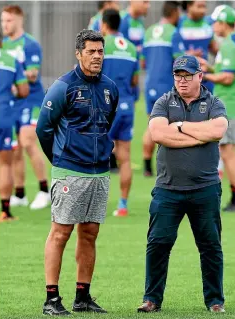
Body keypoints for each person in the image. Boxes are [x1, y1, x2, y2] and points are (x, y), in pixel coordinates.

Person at [36, 29, 119, 315]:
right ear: (78, 53)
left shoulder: (110, 87)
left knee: (90, 232)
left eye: (100, 51)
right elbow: (43, 129)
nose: (97, 56)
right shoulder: (62, 87)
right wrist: (59, 159)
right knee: (60, 232)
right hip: (69, 170)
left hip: (99, 173)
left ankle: (82, 298)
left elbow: (107, 123)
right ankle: (51, 300)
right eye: (91, 51)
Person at [137, 55, 228, 313]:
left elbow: (217, 131)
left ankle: (215, 301)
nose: (182, 81)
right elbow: (157, 134)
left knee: (210, 246)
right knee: (158, 244)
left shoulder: (214, 103)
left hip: (205, 188)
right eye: (178, 76)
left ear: (200, 76)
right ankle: (151, 299)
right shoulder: (163, 102)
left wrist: (178, 127)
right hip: (168, 189)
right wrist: (198, 136)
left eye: (188, 75)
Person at [202, 5, 235, 214]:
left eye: (215, 22)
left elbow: (228, 77)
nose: (213, 25)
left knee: (228, 152)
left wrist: (204, 76)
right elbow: (228, 71)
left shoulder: (228, 45)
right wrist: (211, 68)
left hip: (230, 104)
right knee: (228, 151)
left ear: (223, 23)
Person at [1, 5, 50, 210]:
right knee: (16, 148)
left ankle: (44, 190)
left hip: (31, 99)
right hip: (13, 101)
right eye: (3, 21)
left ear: (20, 20)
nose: (5, 25)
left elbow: (32, 75)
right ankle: (19, 193)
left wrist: (14, 78)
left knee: (28, 140)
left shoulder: (29, 44)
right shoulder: (3, 44)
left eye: (9, 20)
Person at [101, 9, 139, 217]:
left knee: (95, 155)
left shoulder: (101, 46)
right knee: (125, 157)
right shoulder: (132, 48)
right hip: (127, 106)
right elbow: (135, 80)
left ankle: (94, 204)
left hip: (107, 107)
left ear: (105, 25)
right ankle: (123, 205)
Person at [141, 1, 184, 176]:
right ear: (174, 13)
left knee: (151, 125)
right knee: (172, 127)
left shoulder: (149, 31)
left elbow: (143, 61)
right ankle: (171, 166)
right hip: (166, 86)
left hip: (150, 84)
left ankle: (146, 166)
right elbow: (179, 63)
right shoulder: (174, 33)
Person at [0, 29, 29, 222]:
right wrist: (13, 93)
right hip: (1, 115)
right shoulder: (10, 59)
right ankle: (5, 212)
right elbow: (24, 90)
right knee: (5, 164)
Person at [178, 1, 219, 92]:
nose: (203, 10)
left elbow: (213, 47)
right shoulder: (179, 23)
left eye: (204, 6)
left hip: (204, 77)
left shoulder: (207, 24)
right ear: (189, 6)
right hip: (184, 78)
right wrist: (188, 55)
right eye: (199, 6)